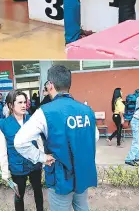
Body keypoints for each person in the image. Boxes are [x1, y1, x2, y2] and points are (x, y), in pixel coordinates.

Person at [14, 65, 99, 211]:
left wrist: (41, 157)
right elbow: (95, 137)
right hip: (82, 173)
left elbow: (19, 142)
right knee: (82, 206)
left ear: (50, 85)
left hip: (61, 177)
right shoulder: (87, 110)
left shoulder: (45, 112)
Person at [0, 90, 43, 211]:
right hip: (17, 167)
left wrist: (43, 159)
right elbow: (2, 150)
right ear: (11, 105)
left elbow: (39, 142)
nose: (24, 105)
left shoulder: (32, 119)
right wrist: (5, 171)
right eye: (20, 102)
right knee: (19, 195)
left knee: (38, 191)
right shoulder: (3, 124)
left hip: (34, 163)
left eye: (25, 102)